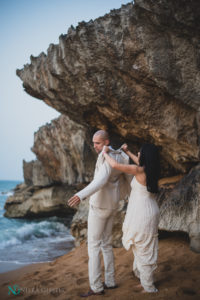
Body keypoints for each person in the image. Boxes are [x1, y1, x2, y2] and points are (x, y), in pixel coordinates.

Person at [68, 130, 131, 297]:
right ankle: (110, 281)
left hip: (99, 207)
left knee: (94, 246)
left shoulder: (106, 157)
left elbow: (101, 180)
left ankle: (96, 287)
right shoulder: (120, 156)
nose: (95, 146)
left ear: (106, 142)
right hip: (112, 206)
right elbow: (128, 180)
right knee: (106, 244)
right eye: (94, 142)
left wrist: (80, 195)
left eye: (98, 143)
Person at [103, 143, 160, 293]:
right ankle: (144, 281)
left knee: (143, 249)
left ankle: (148, 287)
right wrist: (128, 152)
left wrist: (104, 153)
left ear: (145, 156)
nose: (138, 155)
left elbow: (115, 164)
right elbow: (139, 162)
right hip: (149, 209)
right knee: (142, 247)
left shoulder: (139, 171)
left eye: (140, 153)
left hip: (143, 213)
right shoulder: (151, 170)